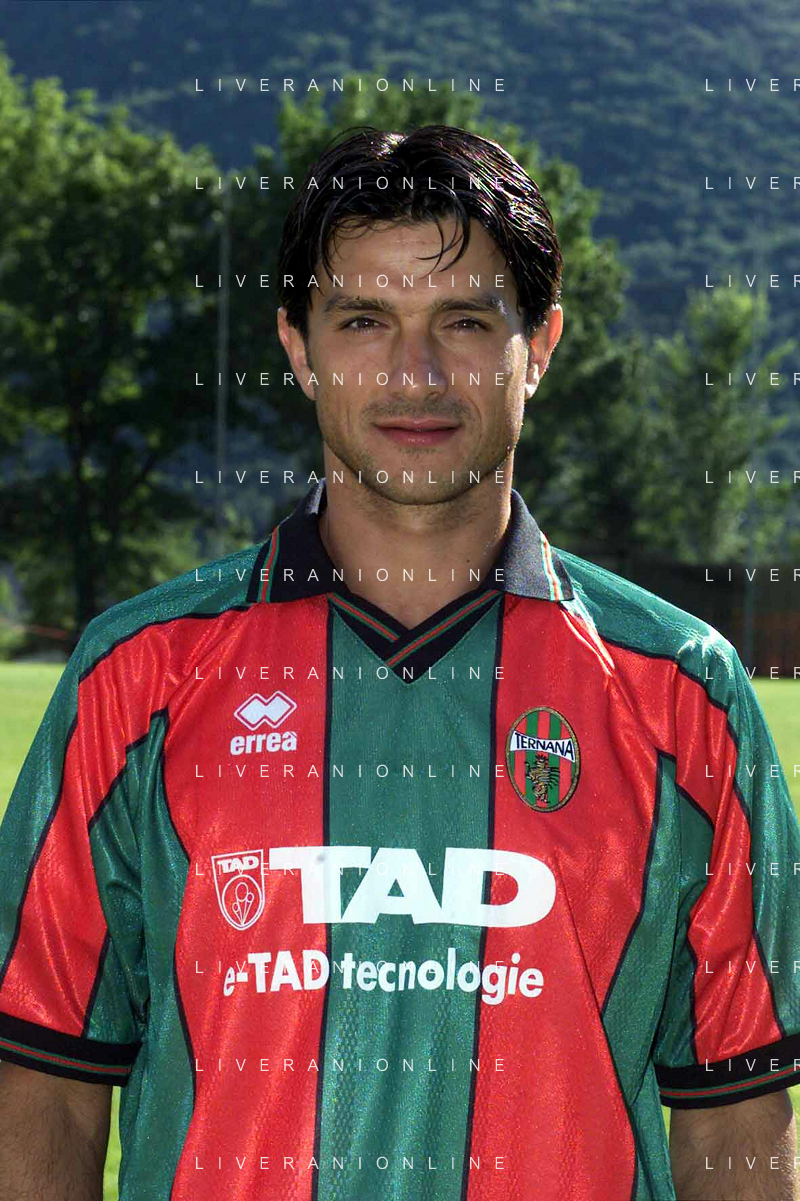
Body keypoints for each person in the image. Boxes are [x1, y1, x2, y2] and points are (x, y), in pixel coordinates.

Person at [0, 125, 798, 1201]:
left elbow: (734, 1111)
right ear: (297, 347)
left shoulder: (682, 691)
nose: (414, 374)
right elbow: (44, 1081)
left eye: (464, 321)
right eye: (364, 320)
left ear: (541, 345)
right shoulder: (136, 676)